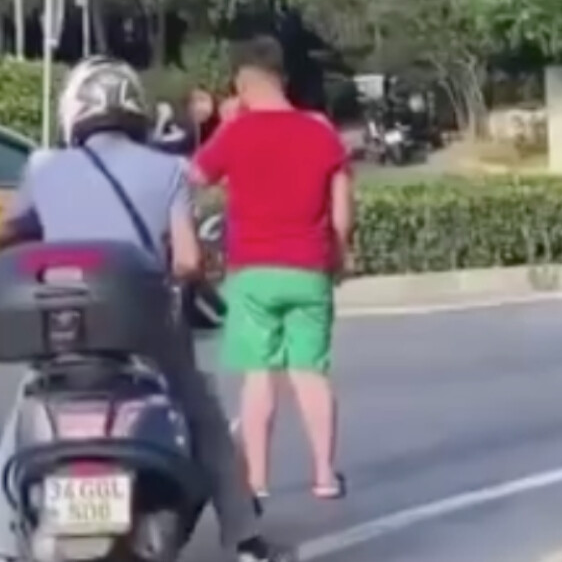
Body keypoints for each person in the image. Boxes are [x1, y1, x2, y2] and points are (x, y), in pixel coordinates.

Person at [0, 56, 290, 562]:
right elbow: (187, 260)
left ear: (74, 109)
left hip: (65, 339)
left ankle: (4, 544)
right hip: (148, 332)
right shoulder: (169, 169)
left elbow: (13, 232)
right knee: (203, 417)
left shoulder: (43, 167)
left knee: (22, 421)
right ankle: (246, 540)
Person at [189, 35, 354, 501]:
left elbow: (193, 179)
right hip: (309, 268)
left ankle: (257, 480)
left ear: (241, 85)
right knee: (311, 373)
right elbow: (342, 209)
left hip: (253, 271)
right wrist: (338, 254)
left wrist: (225, 126)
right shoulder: (321, 130)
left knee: (259, 376)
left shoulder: (237, 133)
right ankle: (324, 474)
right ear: (282, 79)